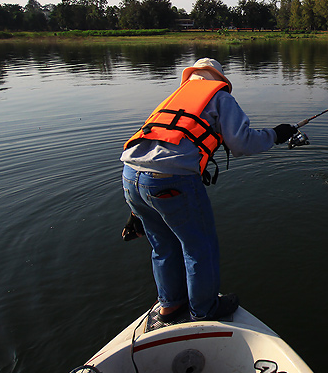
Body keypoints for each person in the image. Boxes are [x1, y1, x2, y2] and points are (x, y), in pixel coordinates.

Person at [121, 58, 296, 324]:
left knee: (163, 245)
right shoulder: (220, 98)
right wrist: (276, 134)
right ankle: (204, 310)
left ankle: (169, 305)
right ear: (219, 80)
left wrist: (136, 211)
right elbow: (241, 143)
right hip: (171, 181)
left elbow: (150, 150)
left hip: (130, 178)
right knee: (199, 247)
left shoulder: (175, 98)